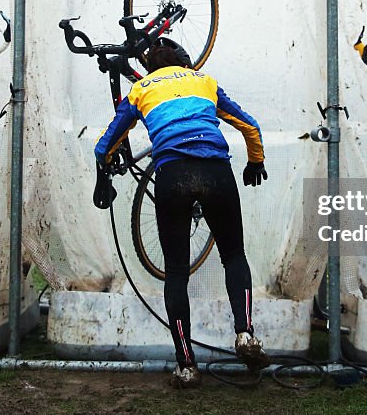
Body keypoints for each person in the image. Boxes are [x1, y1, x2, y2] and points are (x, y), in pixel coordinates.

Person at [94, 38, 269, 388]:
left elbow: (105, 144)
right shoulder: (204, 81)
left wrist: (104, 171)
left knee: (176, 273)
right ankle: (245, 334)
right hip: (216, 171)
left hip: (173, 176)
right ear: (184, 61)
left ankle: (186, 366)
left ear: (149, 68)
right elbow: (250, 125)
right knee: (234, 255)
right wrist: (255, 161)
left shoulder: (140, 89)